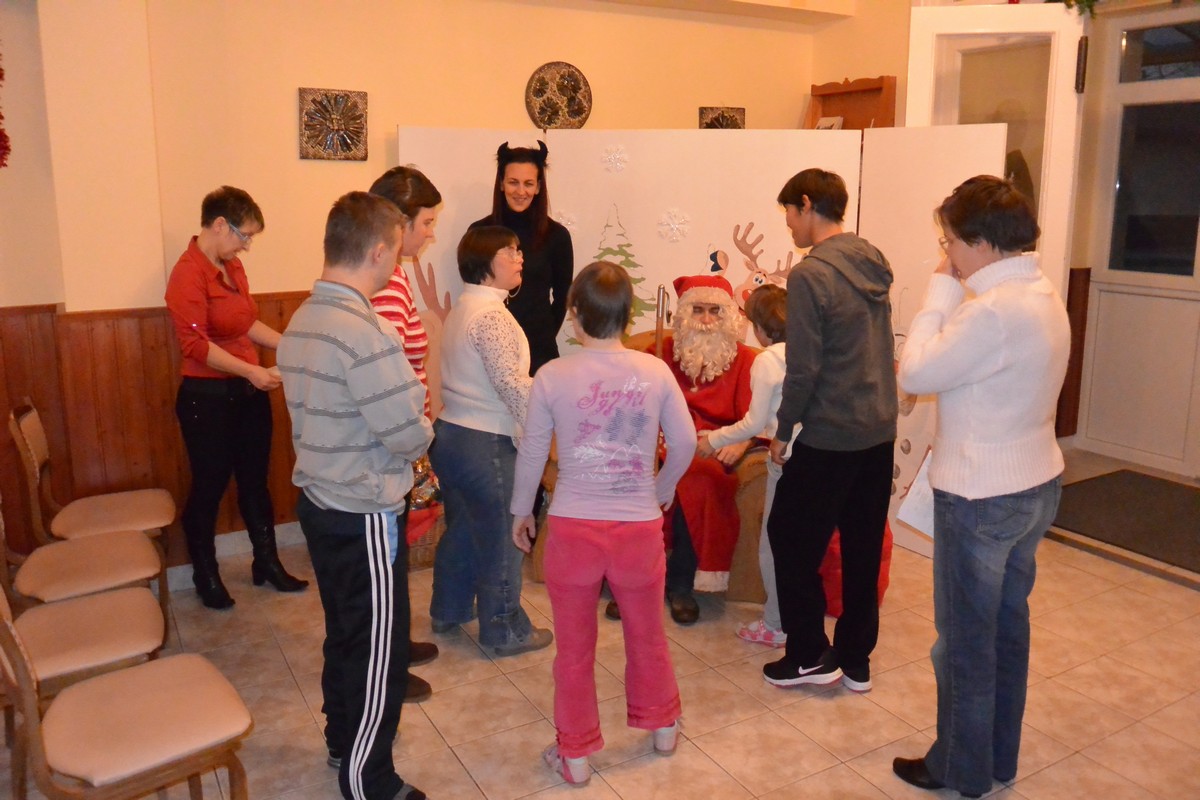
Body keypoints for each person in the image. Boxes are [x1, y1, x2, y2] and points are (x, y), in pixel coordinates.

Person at [892, 176, 1069, 799]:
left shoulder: (990, 312)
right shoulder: (1042, 292)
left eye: (949, 242)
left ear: (981, 243)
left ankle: (959, 771)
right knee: (1005, 631)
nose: (947, 254)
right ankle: (996, 761)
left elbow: (915, 370)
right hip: (1035, 485)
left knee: (965, 645)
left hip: (981, 497)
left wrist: (939, 290)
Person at [512, 262, 695, 785]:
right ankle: (662, 728)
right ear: (627, 314)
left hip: (574, 529)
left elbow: (532, 452)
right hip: (638, 528)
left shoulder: (552, 375)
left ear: (574, 314)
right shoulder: (655, 371)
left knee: (574, 650)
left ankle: (575, 757)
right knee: (647, 634)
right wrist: (661, 490)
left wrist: (521, 511)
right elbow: (684, 443)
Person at [277, 191, 432, 800]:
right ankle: (369, 778)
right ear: (376, 252)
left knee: (346, 631)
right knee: (379, 650)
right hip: (363, 509)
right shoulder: (365, 334)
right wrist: (420, 418)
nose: (398, 262)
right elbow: (408, 432)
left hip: (320, 500)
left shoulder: (303, 317)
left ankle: (343, 739)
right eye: (396, 251)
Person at [764, 168, 897, 692]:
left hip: (832, 432)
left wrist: (782, 430)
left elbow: (804, 368)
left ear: (806, 205)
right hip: (878, 429)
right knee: (862, 545)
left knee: (789, 536)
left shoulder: (810, 275)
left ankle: (807, 655)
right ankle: (855, 659)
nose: (788, 224)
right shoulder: (872, 259)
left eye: (788, 212)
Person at [165, 185, 309, 610]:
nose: (246, 245)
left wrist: (290, 346)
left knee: (254, 482)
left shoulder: (232, 267)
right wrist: (252, 371)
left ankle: (266, 562)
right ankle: (205, 573)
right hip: (207, 399)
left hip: (247, 392)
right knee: (210, 486)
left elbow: (245, 324)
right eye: (244, 235)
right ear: (219, 225)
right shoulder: (187, 274)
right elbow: (195, 346)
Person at [428, 226, 552, 656]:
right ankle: (504, 631)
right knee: (503, 538)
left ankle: (448, 610)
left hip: (452, 436)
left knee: (463, 530)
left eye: (519, 250)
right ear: (484, 261)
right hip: (486, 443)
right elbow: (511, 385)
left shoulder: (466, 307)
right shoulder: (491, 317)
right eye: (509, 252)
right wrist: (548, 417)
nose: (520, 258)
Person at [368, 165, 443, 703]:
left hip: (405, 436)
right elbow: (388, 375)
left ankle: (397, 643)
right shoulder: (387, 287)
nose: (431, 234)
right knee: (389, 552)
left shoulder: (394, 277)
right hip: (394, 442)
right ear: (400, 225)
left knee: (396, 552)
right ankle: (388, 665)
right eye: (427, 223)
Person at [696, 283, 791, 646]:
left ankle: (776, 624)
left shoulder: (767, 360)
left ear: (761, 326)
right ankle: (795, 620)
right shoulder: (812, 351)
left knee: (772, 547)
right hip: (817, 457)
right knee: (798, 548)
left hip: (787, 461)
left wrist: (714, 440)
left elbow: (754, 422)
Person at [469, 141, 574, 376]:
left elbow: (562, 297)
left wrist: (543, 335)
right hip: (490, 348)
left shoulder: (557, 236)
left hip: (539, 350)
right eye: (513, 182)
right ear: (501, 184)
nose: (520, 191)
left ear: (538, 187)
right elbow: (474, 295)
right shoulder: (479, 233)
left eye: (528, 183)